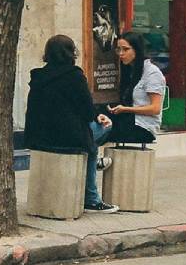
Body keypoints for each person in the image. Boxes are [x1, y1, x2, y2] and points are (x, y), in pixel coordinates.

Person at [23, 34, 119, 214]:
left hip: (38, 138)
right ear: (71, 53)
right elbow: (88, 111)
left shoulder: (38, 77)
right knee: (102, 130)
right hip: (67, 138)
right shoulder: (74, 76)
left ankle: (93, 161)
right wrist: (99, 116)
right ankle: (91, 198)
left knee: (89, 141)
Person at [100, 32, 165, 146]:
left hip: (143, 126)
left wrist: (126, 109)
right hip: (128, 120)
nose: (121, 54)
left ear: (136, 50)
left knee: (100, 133)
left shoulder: (152, 73)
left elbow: (155, 108)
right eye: (118, 50)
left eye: (125, 49)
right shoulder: (129, 71)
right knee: (95, 126)